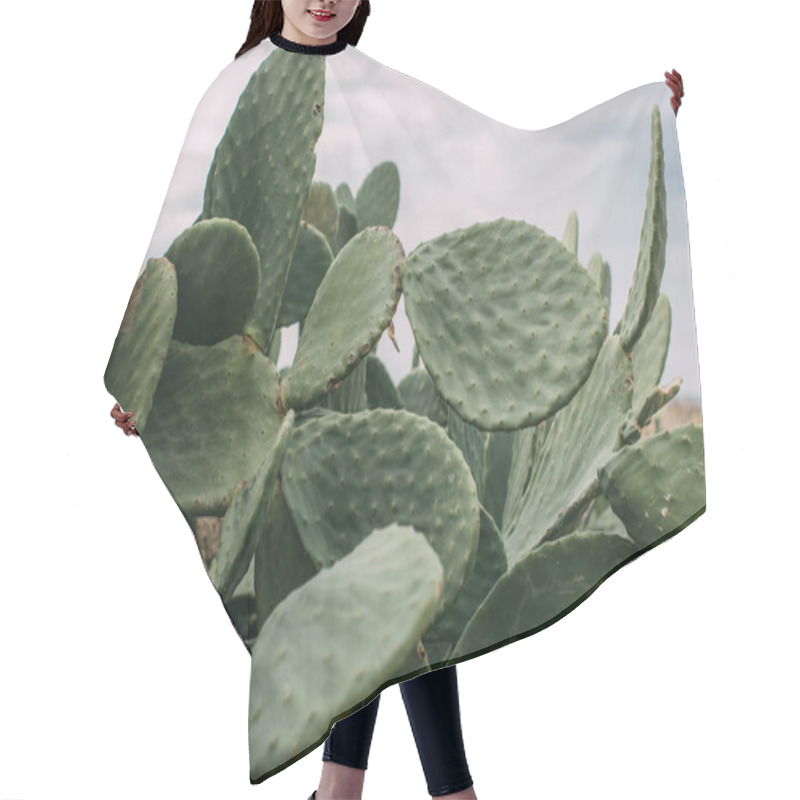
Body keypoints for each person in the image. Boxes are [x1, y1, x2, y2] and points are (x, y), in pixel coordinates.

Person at [109, 2, 686, 798]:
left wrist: (639, 113)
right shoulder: (234, 87)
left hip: (358, 404)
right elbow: (182, 254)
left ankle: (353, 790)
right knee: (377, 596)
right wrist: (142, 381)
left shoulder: (377, 85)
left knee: (395, 588)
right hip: (285, 417)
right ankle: (426, 792)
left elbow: (498, 150)